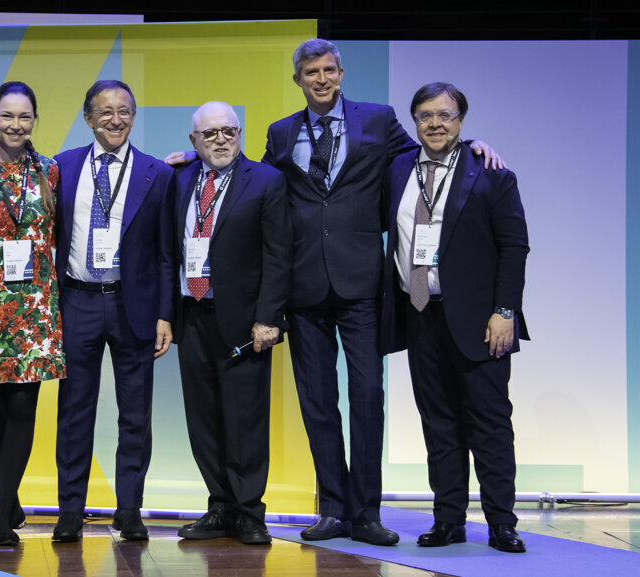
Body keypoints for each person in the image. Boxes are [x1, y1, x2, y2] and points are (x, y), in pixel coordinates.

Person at [258, 39, 506, 545]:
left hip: (363, 285)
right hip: (303, 287)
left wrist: (475, 145)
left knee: (368, 398)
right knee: (318, 402)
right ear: (298, 80)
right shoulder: (281, 132)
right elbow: (257, 182)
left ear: (342, 73)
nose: (321, 78)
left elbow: (431, 152)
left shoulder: (376, 119)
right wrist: (195, 165)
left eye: (329, 69)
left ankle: (367, 513)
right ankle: (333, 508)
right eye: (311, 72)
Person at [380, 82, 529, 553]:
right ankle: (449, 521)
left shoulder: (491, 173)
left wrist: (505, 311)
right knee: (438, 423)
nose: (436, 123)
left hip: (481, 322)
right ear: (415, 122)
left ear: (461, 121)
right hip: (420, 313)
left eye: (445, 115)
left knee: (488, 423)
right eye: (425, 115)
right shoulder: (397, 168)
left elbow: (514, 248)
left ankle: (502, 523)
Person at [52, 80, 174, 542]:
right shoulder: (60, 168)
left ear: (133, 116)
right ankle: (69, 512)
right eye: (105, 112)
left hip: (134, 306)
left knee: (135, 415)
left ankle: (130, 510)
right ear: (88, 119)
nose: (116, 119)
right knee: (74, 412)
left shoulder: (156, 173)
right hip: (77, 302)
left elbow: (167, 254)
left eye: (124, 111)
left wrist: (165, 315)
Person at [172, 102, 291, 545]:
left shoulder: (266, 180)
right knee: (202, 419)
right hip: (193, 315)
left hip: (244, 322)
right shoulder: (179, 180)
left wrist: (268, 318)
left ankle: (248, 512)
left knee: (245, 418)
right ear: (193, 142)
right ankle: (219, 506)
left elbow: (279, 254)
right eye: (210, 134)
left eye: (229, 131)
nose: (221, 140)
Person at [0, 81, 65, 546]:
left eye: (24, 117)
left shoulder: (51, 171)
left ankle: (1, 515)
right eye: (7, 116)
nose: (16, 125)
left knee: (23, 406)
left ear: (34, 121)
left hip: (37, 306)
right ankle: (11, 496)